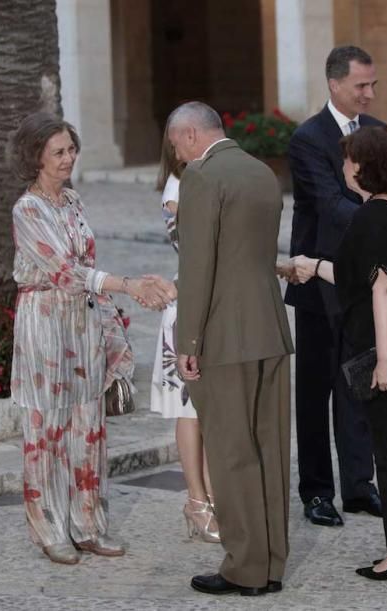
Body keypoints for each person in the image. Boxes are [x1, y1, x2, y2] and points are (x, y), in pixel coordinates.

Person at [9, 111, 175, 565]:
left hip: (82, 324)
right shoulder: (27, 210)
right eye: (58, 152)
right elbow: (64, 271)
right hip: (44, 324)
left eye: (71, 149)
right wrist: (126, 284)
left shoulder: (74, 201)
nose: (69, 159)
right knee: (46, 431)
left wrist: (112, 324)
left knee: (89, 428)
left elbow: (85, 266)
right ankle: (49, 528)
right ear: (35, 157)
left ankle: (88, 525)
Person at [285, 126, 387, 582]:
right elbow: (361, 274)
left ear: (362, 166)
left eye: (349, 159)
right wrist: (312, 266)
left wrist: (386, 358)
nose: (344, 166)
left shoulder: (370, 217)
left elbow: (382, 288)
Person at [170, 102, 294, 596]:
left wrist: (188, 340)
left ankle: (244, 568)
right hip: (269, 326)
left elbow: (198, 266)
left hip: (224, 333)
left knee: (231, 451)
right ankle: (271, 564)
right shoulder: (262, 172)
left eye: (177, 144)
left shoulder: (201, 177)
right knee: (269, 449)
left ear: (193, 133)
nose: (177, 154)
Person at [285, 44, 385, 526]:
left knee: (359, 383)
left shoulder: (379, 133)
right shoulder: (308, 138)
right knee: (315, 390)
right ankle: (316, 491)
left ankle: (359, 486)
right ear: (334, 83)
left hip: (363, 282)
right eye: (361, 85)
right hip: (316, 282)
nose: (368, 93)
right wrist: (383, 220)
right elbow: (328, 202)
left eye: (372, 85)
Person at [149, 111, 218, 544]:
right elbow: (190, 246)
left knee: (211, 411)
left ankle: (214, 496)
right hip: (189, 304)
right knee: (190, 411)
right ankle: (197, 501)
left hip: (216, 305)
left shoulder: (210, 179)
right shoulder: (180, 186)